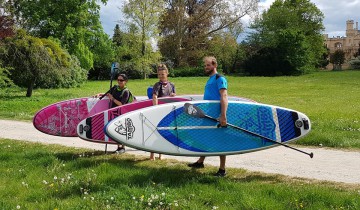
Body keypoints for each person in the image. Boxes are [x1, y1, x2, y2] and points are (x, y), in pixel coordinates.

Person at [187, 56, 228, 177]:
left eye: (208, 65)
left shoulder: (219, 78)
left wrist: (223, 116)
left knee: (220, 140)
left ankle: (222, 169)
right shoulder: (210, 79)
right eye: (205, 65)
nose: (206, 67)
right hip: (208, 114)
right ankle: (200, 162)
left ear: (214, 65)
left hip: (217, 115)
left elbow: (224, 96)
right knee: (204, 137)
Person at [96, 73, 135, 154]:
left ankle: (122, 147)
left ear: (126, 81)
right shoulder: (115, 88)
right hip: (113, 112)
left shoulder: (126, 92)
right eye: (118, 80)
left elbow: (122, 104)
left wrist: (112, 98)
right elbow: (108, 93)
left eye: (121, 80)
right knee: (115, 130)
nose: (119, 82)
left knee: (121, 130)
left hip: (121, 113)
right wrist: (100, 94)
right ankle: (118, 147)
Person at [150, 64, 176, 160]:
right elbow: (155, 96)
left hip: (167, 112)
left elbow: (174, 96)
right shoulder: (157, 85)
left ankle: (161, 154)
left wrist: (173, 95)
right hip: (158, 111)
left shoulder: (172, 85)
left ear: (167, 73)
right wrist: (155, 109)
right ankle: (152, 155)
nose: (161, 76)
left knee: (163, 132)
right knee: (154, 132)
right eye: (159, 74)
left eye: (162, 74)